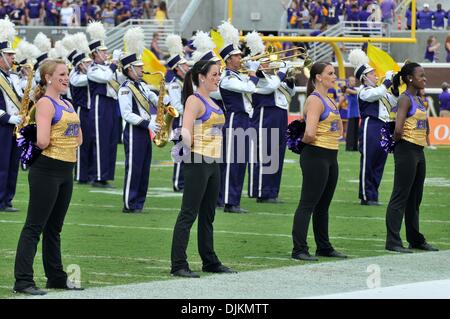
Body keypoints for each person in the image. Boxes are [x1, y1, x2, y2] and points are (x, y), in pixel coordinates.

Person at [13, 59, 84, 295]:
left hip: (66, 170)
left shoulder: (68, 104)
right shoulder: (45, 103)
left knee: (54, 228)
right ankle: (23, 281)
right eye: (62, 74)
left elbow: (80, 139)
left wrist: (60, 137)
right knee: (34, 226)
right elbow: (42, 141)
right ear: (48, 78)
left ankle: (56, 277)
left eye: (67, 74)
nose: (66, 77)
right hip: (47, 170)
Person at [170, 60, 235, 278]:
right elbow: (186, 129)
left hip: (213, 162)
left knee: (208, 215)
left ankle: (209, 261)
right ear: (202, 77)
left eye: (219, 74)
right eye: (214, 75)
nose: (218, 78)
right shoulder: (194, 100)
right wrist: (185, 148)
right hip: (198, 162)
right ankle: (178, 264)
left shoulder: (214, 101)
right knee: (189, 213)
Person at [291, 62, 347, 261]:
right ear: (318, 77)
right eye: (330, 73)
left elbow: (340, 130)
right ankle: (299, 249)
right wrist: (300, 144)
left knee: (323, 205)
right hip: (316, 155)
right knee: (308, 203)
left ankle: (323, 246)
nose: (334, 76)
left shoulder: (330, 99)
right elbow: (309, 132)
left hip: (331, 155)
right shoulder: (315, 100)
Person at [385, 62, 438, 254]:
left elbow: (425, 126)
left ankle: (415, 239)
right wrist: (400, 144)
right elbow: (397, 129)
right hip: (406, 149)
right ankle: (393, 240)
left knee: (415, 198)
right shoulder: (405, 99)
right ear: (409, 78)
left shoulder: (419, 99)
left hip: (418, 151)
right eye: (421, 75)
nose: (424, 78)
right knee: (400, 195)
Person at [217, 22, 259, 214]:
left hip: (244, 119)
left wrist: (257, 72)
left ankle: (233, 200)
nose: (240, 57)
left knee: (240, 162)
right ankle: (228, 201)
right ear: (228, 59)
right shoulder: (227, 78)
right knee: (233, 162)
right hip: (234, 119)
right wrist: (252, 72)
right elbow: (251, 87)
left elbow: (254, 87)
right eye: (236, 55)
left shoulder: (238, 76)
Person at [350, 49, 397, 206]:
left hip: (384, 126)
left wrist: (395, 87)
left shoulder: (380, 91)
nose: (376, 75)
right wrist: (386, 82)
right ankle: (365, 195)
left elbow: (393, 102)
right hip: (371, 125)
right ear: (364, 77)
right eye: (372, 74)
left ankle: (373, 195)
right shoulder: (363, 91)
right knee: (369, 160)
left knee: (380, 161)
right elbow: (376, 93)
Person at [118, 40, 161, 213]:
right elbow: (126, 114)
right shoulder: (125, 89)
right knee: (134, 168)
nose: (142, 69)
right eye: (139, 67)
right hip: (134, 130)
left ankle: (139, 203)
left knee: (144, 168)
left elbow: (152, 97)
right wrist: (148, 123)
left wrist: (163, 102)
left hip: (144, 131)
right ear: (130, 69)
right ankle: (129, 203)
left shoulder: (141, 85)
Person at [86, 22, 124, 188]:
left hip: (111, 104)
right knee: (101, 140)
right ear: (95, 54)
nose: (106, 53)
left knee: (111, 140)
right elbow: (107, 77)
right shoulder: (93, 69)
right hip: (99, 104)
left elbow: (119, 80)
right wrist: (114, 62)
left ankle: (106, 175)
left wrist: (122, 67)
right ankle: (98, 176)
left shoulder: (108, 67)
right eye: (102, 51)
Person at [0, 32, 23, 212]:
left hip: (14, 127)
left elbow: (20, 99)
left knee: (13, 164)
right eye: (8, 54)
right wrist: (8, 118)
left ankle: (8, 199)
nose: (12, 57)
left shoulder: (12, 77)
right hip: (2, 126)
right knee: (2, 164)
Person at [165, 36, 190, 192]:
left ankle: (184, 182)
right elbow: (176, 106)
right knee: (181, 153)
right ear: (177, 68)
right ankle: (178, 183)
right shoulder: (175, 84)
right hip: (180, 122)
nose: (187, 67)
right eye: (183, 65)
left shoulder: (187, 81)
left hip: (188, 121)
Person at [70, 51, 94, 184]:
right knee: (81, 143)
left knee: (90, 142)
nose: (90, 64)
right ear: (80, 65)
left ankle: (90, 174)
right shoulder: (75, 76)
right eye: (86, 63)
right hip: (80, 111)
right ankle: (80, 174)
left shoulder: (88, 75)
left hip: (89, 111)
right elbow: (84, 80)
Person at [344, 76, 359, 151]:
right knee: (350, 131)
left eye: (354, 81)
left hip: (356, 113)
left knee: (356, 131)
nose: (354, 82)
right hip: (351, 114)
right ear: (349, 82)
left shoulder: (355, 89)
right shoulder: (348, 89)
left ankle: (355, 147)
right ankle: (349, 147)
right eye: (352, 81)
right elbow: (356, 92)